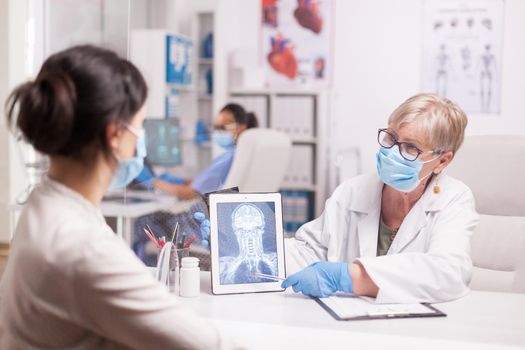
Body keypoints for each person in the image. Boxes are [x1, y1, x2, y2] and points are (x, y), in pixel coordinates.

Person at [0, 45, 241, 349]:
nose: (141, 142)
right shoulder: (82, 248)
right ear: (115, 135)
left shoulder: (45, 202)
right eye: (139, 128)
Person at [282, 93, 480, 303]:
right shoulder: (353, 191)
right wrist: (258, 250)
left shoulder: (454, 199)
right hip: (345, 322)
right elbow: (310, 251)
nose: (393, 152)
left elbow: (448, 274)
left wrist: (347, 277)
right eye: (391, 138)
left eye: (411, 148)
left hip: (416, 328)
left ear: (442, 161)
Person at [152, 104, 258, 199]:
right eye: (216, 127)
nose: (218, 131)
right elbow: (212, 182)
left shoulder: (228, 158)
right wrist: (190, 181)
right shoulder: (241, 155)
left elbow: (189, 194)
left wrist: (152, 182)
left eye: (223, 127)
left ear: (242, 128)